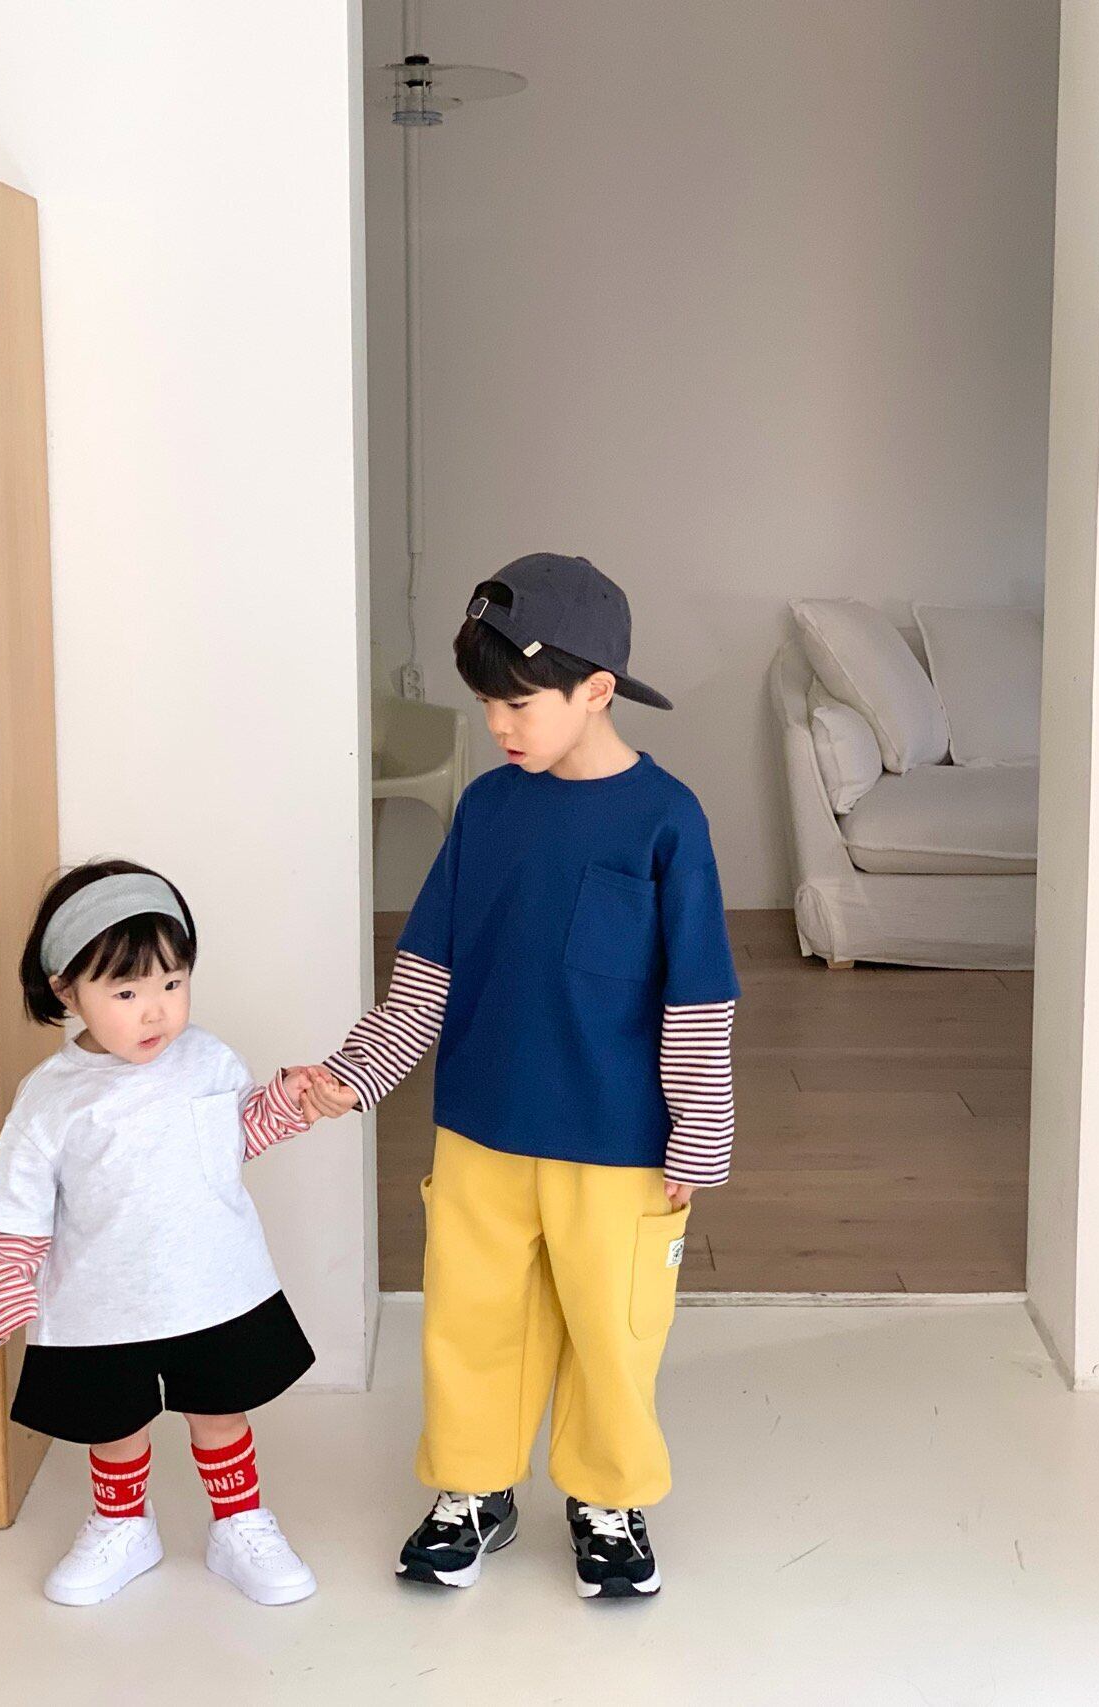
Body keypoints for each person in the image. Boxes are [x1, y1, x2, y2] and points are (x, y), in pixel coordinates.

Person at [303, 553, 739, 1598]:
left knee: (612, 1332)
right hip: (481, 1129)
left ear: (596, 689)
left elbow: (698, 996)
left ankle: (607, 1499)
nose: (498, 724)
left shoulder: (666, 818)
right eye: (487, 703)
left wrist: (699, 1131)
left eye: (518, 702)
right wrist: (357, 1073)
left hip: (617, 1143)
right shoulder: (489, 810)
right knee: (471, 1320)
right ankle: (473, 1488)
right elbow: (427, 969)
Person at [0, 859, 318, 1608]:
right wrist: (11, 1290)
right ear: (68, 991)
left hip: (210, 1284)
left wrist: (288, 1102)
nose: (155, 1011)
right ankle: (123, 1525)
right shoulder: (51, 1097)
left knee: (219, 1407)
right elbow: (13, 1201)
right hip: (102, 1299)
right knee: (114, 1421)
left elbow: (238, 1135)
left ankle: (239, 1523)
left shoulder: (210, 1059)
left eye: (172, 983)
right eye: (126, 993)